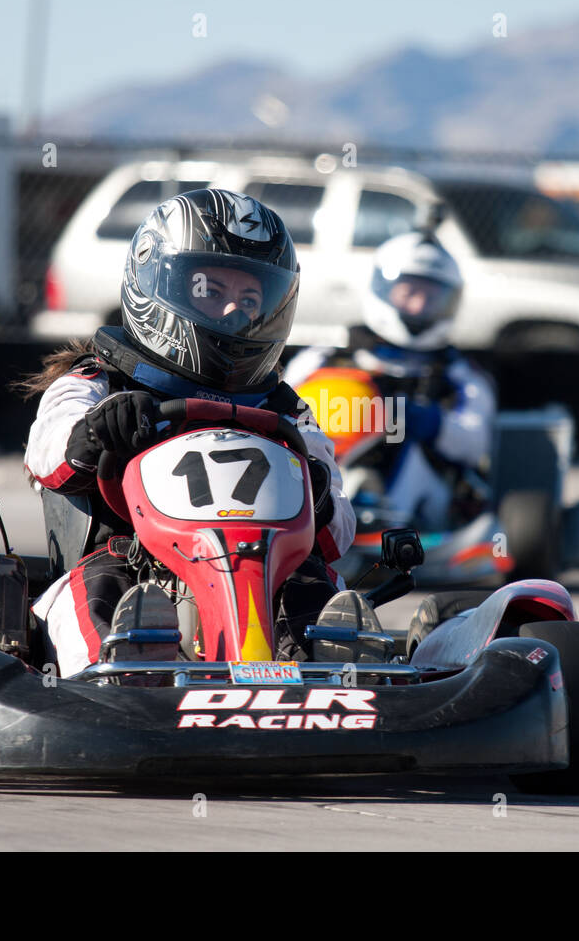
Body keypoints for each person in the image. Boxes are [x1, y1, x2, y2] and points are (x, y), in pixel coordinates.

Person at [18, 188, 354, 675]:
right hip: (131, 562)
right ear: (160, 282)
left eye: (249, 298)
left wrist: (319, 492)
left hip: (267, 569)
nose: (232, 314)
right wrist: (97, 431)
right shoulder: (98, 383)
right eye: (210, 291)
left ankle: (342, 674)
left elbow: (340, 531)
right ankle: (116, 680)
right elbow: (47, 452)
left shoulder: (286, 410)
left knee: (318, 586)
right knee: (100, 592)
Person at [284, 231, 496, 531]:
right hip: (327, 466)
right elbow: (279, 412)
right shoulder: (327, 356)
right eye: (409, 292)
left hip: (421, 491)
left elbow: (476, 444)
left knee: (400, 432)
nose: (419, 306)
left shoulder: (459, 374)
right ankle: (319, 511)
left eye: (431, 297)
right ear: (384, 288)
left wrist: (430, 421)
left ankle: (380, 521)